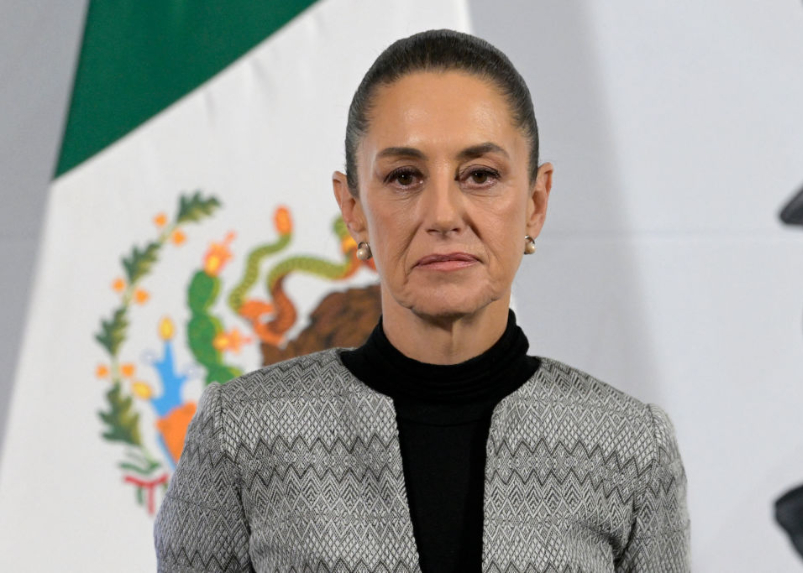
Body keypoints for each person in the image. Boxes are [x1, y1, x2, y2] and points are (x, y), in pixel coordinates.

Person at [154, 29, 691, 572]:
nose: (442, 215)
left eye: (480, 175)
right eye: (404, 176)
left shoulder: (629, 448)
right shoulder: (242, 435)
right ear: (354, 207)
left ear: (535, 202)